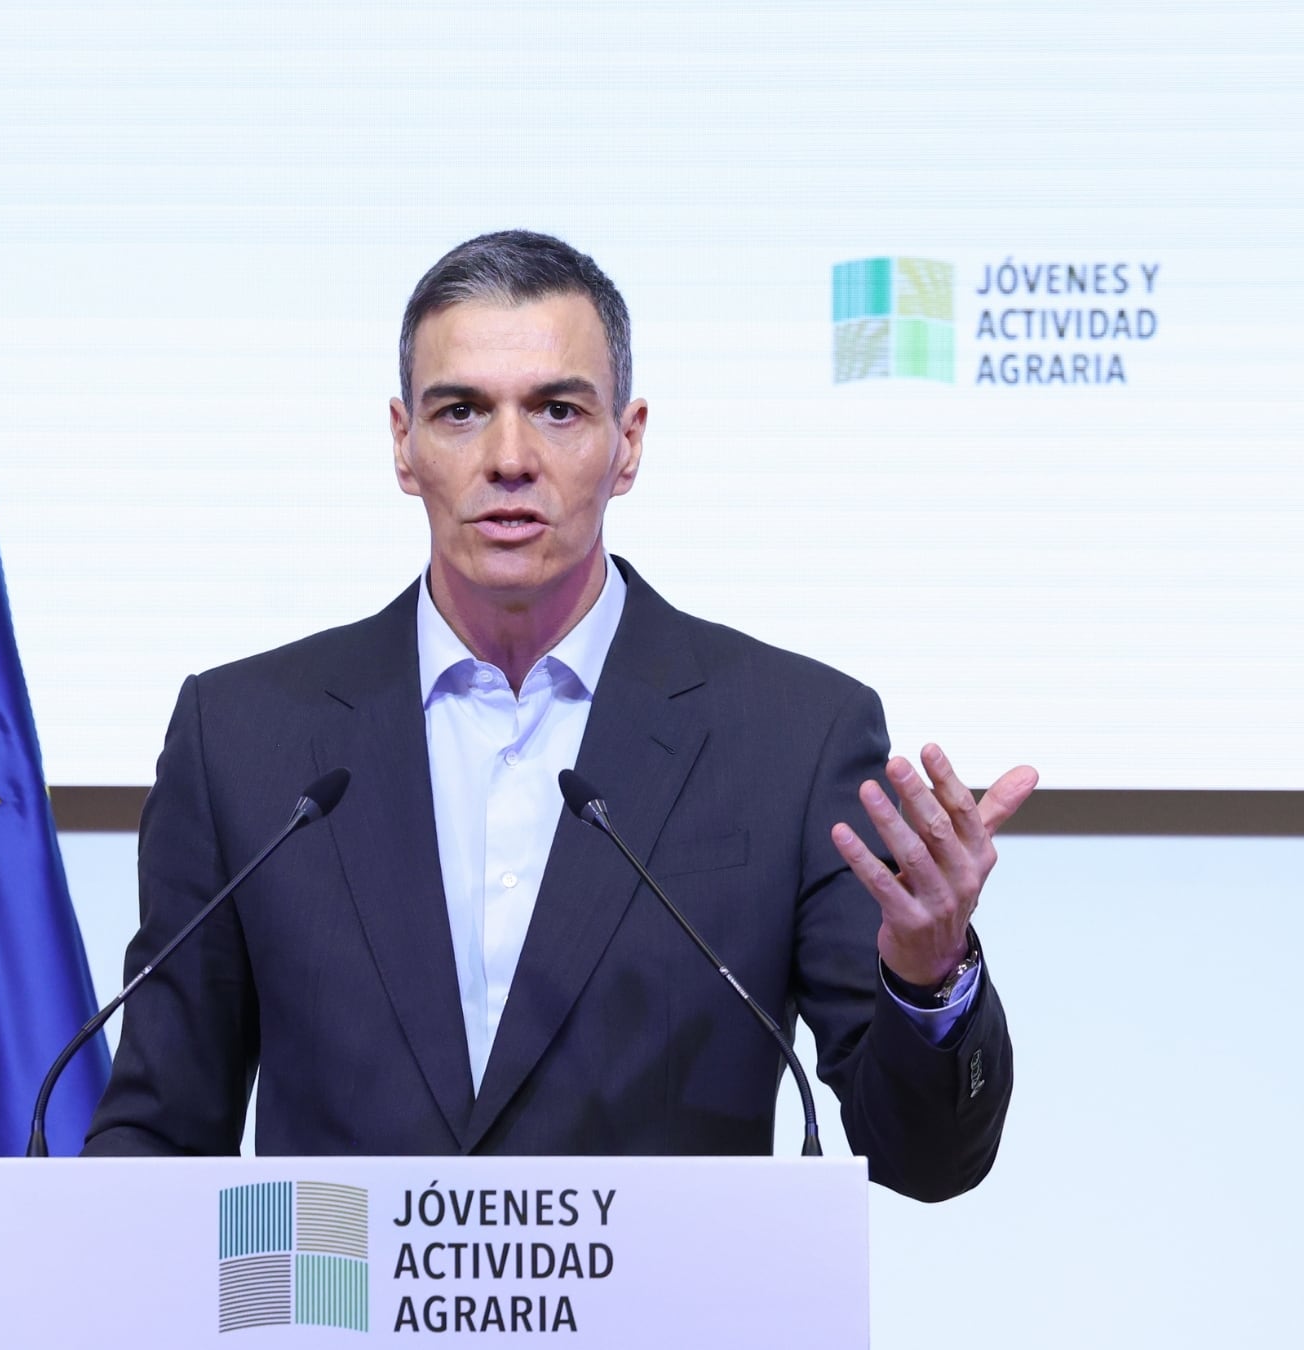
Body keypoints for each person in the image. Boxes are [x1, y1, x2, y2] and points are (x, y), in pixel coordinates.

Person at [82, 231, 1036, 1201]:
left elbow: (923, 1161)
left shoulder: (792, 737)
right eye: (461, 411)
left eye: (558, 410)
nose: (509, 458)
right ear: (403, 444)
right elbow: (158, 1132)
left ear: (628, 443)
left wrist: (928, 977)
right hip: (336, 1285)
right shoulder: (243, 739)